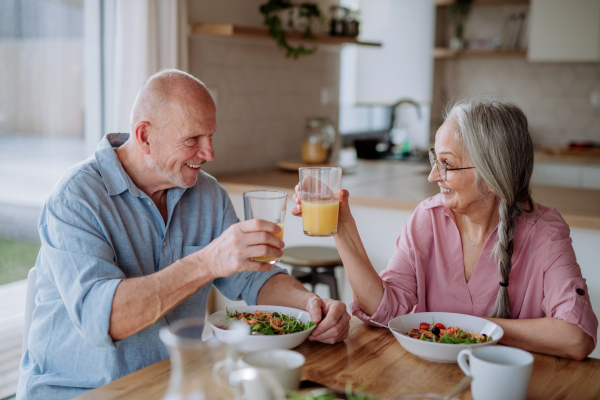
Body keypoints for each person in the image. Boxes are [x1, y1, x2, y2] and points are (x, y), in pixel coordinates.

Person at [18, 69, 350, 400]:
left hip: (176, 384)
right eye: (192, 139)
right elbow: (105, 319)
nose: (209, 154)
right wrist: (207, 262)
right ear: (145, 136)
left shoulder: (207, 195)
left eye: (210, 136)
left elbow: (254, 278)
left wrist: (310, 306)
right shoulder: (76, 198)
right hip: (82, 392)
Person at [293, 98, 597, 360]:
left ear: (490, 173)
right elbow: (383, 311)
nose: (432, 175)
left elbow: (576, 337)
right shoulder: (428, 219)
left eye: (446, 163)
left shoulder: (544, 232)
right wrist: (341, 228)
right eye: (434, 160)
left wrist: (472, 330)